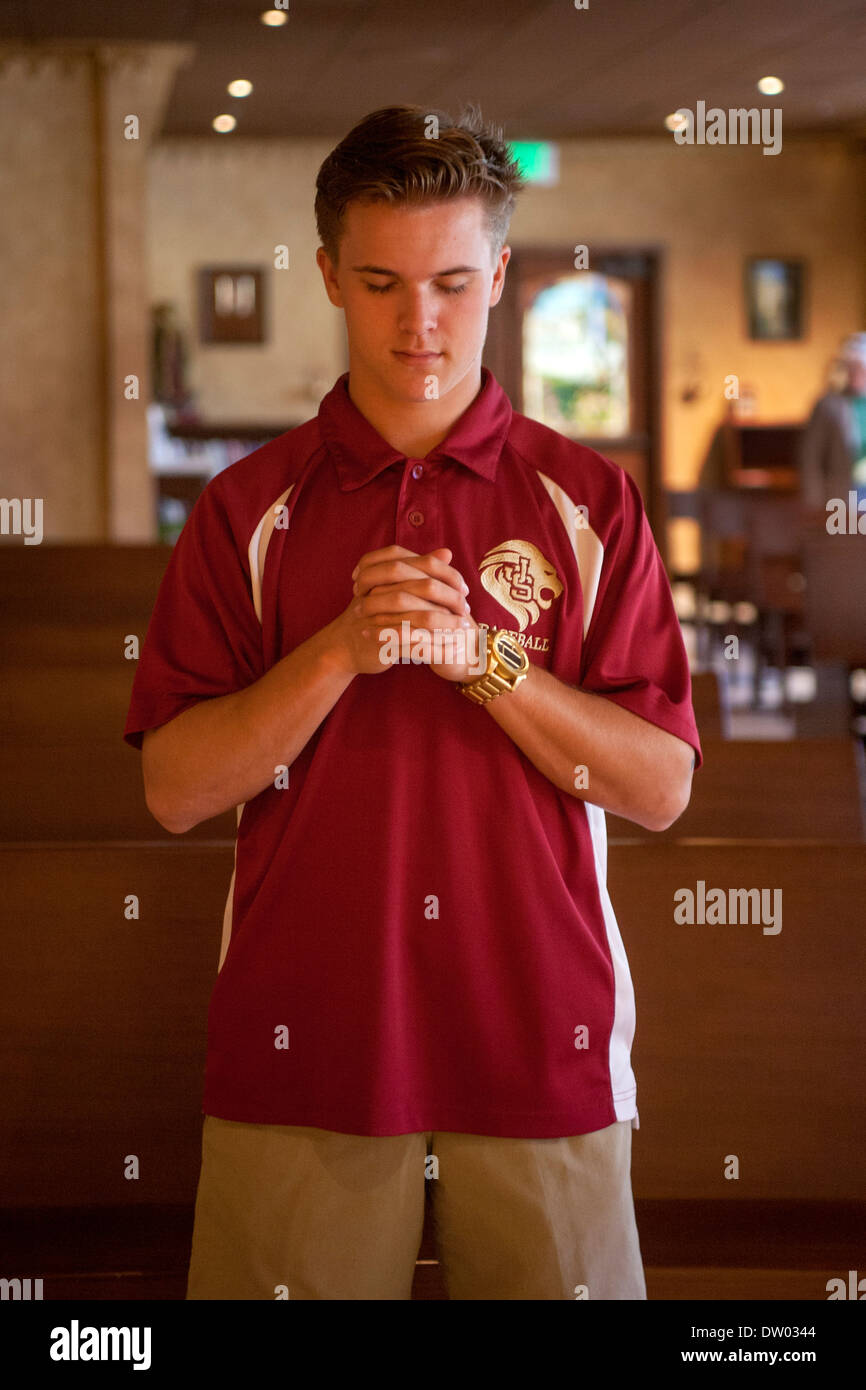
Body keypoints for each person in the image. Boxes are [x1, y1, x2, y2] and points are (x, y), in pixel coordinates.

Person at [123, 102, 702, 1301]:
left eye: (449, 279)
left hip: (543, 1029)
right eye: (381, 281)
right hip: (307, 1034)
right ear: (328, 273)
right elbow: (176, 791)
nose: (419, 322)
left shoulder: (588, 499)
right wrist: (340, 648)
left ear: (498, 270)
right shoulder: (246, 508)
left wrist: (480, 660)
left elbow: (657, 787)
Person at [800, 332, 866, 512]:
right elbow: (810, 456)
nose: (855, 374)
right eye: (851, 368)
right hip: (843, 496)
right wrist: (814, 502)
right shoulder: (828, 405)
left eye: (860, 369)